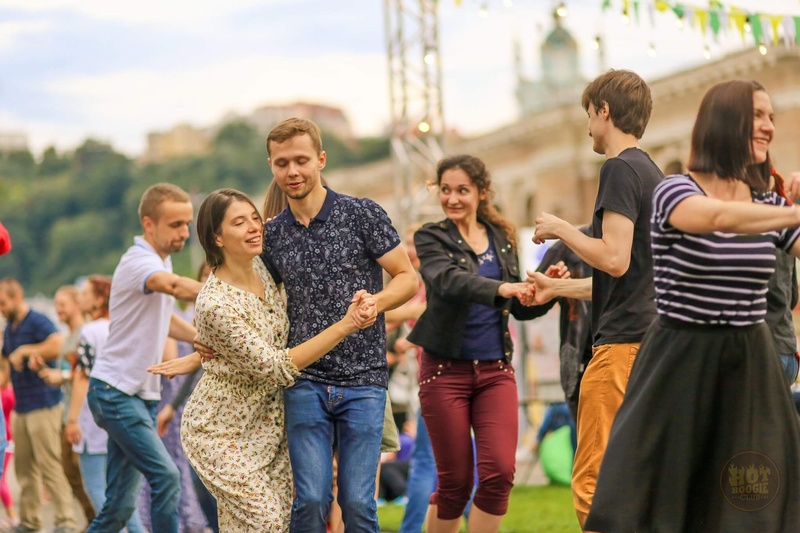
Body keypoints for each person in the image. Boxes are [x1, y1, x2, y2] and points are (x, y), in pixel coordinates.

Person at [585, 79, 800, 531]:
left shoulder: (766, 203)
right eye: (758, 116)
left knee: (750, 500)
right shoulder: (674, 190)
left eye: (772, 118)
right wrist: (791, 211)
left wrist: (787, 209)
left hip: (749, 362)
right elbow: (716, 217)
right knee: (663, 501)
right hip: (683, 359)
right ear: (726, 122)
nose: (768, 128)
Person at [149, 188, 377, 531]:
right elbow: (276, 366)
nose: (254, 227)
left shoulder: (264, 266)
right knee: (267, 521)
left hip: (270, 428)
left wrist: (196, 358)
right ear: (218, 238)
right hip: (219, 432)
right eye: (239, 223)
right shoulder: (215, 304)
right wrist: (346, 325)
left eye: (254, 218)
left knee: (261, 525)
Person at [259, 117, 418, 532]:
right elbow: (257, 301)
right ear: (272, 167)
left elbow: (407, 278)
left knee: (356, 503)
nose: (292, 171)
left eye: (300, 160)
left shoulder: (361, 214)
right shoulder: (270, 236)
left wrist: (376, 302)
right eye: (281, 163)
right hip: (303, 379)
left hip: (363, 379)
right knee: (310, 500)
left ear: (320, 160)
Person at [526, 69, 663, 527]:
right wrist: (558, 287)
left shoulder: (619, 168)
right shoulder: (654, 173)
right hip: (653, 344)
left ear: (604, 111)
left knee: (593, 480)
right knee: (642, 476)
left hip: (621, 348)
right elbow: (630, 279)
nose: (587, 125)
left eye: (589, 113)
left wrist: (561, 228)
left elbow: (615, 259)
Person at [406, 154, 542, 533]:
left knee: (499, 473)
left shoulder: (502, 237)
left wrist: (542, 291)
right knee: (455, 484)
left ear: (481, 192)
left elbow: (518, 308)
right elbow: (450, 281)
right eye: (445, 190)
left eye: (462, 190)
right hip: (445, 373)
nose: (452, 199)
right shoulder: (431, 237)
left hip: (496, 371)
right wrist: (502, 287)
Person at [86, 183, 204, 533]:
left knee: (119, 507)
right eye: (175, 225)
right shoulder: (141, 262)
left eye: (187, 223)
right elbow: (173, 287)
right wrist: (229, 289)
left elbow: (165, 318)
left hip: (137, 395)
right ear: (148, 224)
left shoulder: (160, 260)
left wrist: (200, 339)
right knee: (166, 476)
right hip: (116, 393)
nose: (184, 232)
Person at [65, 276, 145, 533]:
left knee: (97, 487)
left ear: (99, 299)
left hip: (92, 414)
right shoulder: (124, 328)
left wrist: (72, 418)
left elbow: (82, 377)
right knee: (123, 493)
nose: (81, 298)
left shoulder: (90, 331)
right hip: (123, 412)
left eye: (86, 293)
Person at [0, 277, 76, 533]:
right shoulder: (11, 326)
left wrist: (25, 351)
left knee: (49, 464)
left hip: (43, 403)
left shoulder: (37, 321)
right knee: (23, 468)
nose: (1, 308)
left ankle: (66, 520)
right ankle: (30, 521)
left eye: (3, 303)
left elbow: (57, 345)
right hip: (22, 406)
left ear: (17, 297)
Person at [37, 285, 96, 527]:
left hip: (84, 413)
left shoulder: (87, 333)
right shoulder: (67, 337)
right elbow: (69, 371)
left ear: (76, 304)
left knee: (83, 470)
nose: (58, 309)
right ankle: (93, 519)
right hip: (67, 410)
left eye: (62, 304)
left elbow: (89, 373)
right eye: (56, 304)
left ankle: (101, 520)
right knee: (68, 470)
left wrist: (60, 376)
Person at [766, 169, 800, 386]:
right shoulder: (786, 218)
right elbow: (793, 296)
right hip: (787, 349)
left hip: (764, 353)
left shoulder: (745, 221)